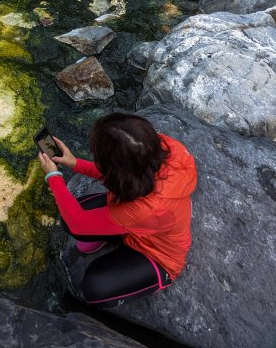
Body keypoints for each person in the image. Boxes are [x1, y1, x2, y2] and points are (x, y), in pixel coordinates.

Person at [38, 113, 197, 307]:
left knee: (94, 288)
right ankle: (113, 235)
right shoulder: (164, 147)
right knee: (69, 213)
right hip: (135, 220)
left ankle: (157, 275)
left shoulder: (146, 208)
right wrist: (75, 163)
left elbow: (78, 223)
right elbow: (119, 171)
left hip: (157, 254)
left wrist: (54, 177)